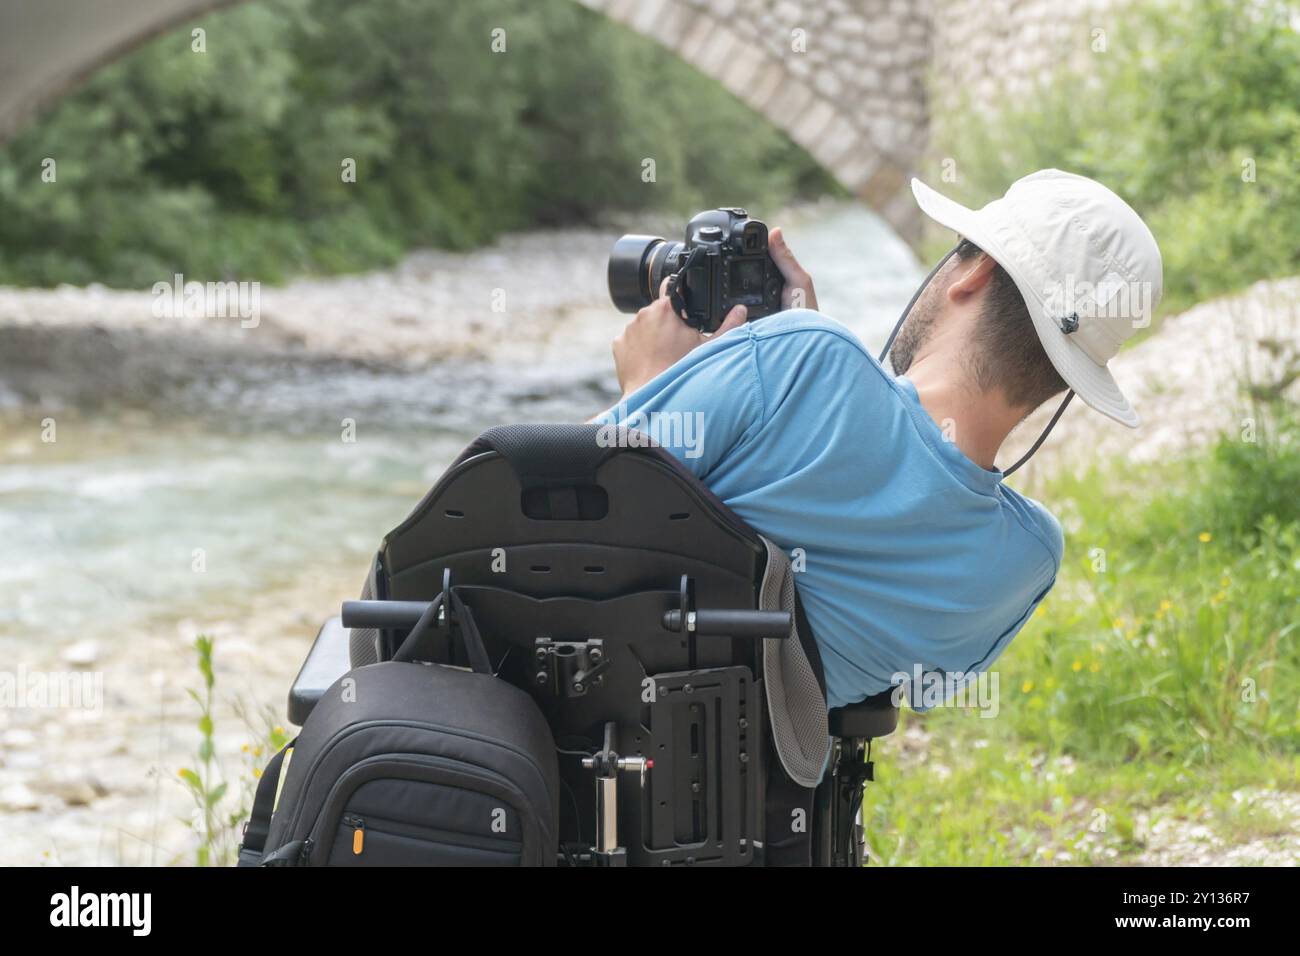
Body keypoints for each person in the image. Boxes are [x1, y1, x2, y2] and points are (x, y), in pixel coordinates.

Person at [593, 169, 1162, 711]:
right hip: (765, 798)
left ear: (974, 273)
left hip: (586, 736)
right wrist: (793, 357)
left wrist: (647, 384)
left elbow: (558, 513)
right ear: (1070, 376)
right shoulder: (1026, 560)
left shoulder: (804, 357)